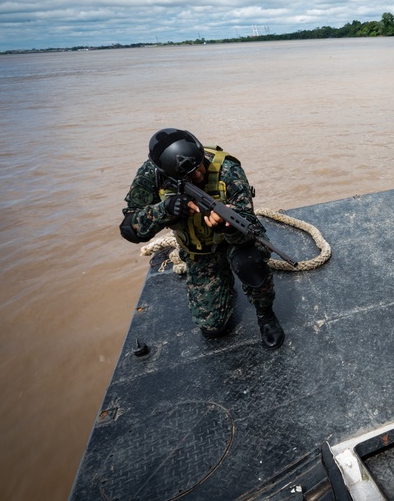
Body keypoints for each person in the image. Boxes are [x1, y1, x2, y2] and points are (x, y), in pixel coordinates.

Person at [119, 128, 285, 349]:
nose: (198, 176)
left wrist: (227, 226)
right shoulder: (152, 175)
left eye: (199, 166)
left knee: (250, 261)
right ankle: (223, 284)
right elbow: (129, 229)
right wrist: (165, 209)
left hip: (235, 244)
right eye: (188, 177)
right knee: (213, 329)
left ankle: (266, 314)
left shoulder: (228, 170)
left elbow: (249, 227)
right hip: (200, 251)